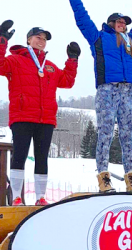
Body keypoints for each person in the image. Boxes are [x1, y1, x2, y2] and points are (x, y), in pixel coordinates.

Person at [57, 0, 132, 193]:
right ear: (111, 23)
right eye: (119, 21)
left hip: (128, 91)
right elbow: (81, 17)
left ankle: (131, 180)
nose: (123, 24)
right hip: (107, 90)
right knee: (105, 133)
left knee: (127, 135)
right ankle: (104, 178)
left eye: (125, 23)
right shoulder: (99, 38)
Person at [0, 20, 81, 206]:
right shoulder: (15, 60)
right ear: (29, 40)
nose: (42, 41)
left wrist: (72, 60)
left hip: (46, 119)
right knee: (20, 155)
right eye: (38, 37)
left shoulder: (50, 66)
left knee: (42, 157)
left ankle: (40, 198)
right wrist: (1, 39)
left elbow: (67, 81)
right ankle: (17, 198)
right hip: (22, 116)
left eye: (44, 39)